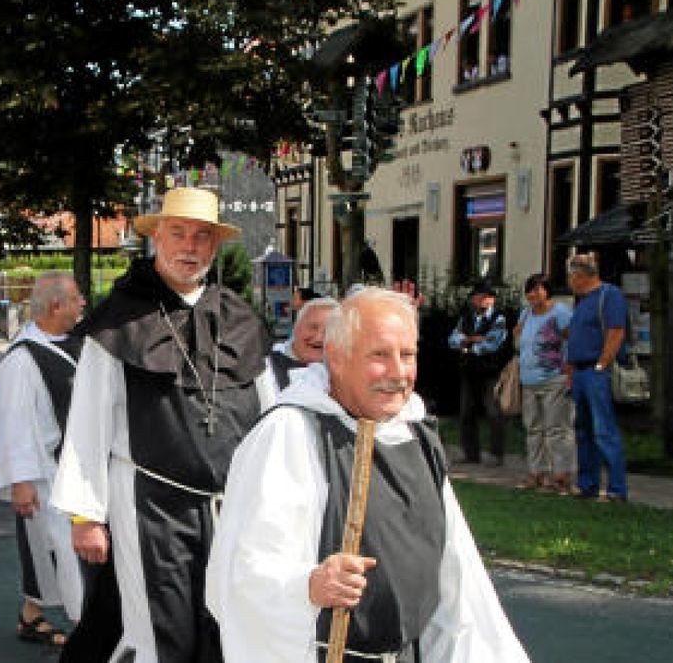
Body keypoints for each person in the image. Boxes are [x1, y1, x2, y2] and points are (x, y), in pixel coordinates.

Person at [205, 288, 530, 662]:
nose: (397, 373)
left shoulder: (414, 433)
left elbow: (458, 578)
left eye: (407, 355)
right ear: (336, 358)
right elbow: (242, 575)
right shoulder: (290, 434)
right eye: (379, 355)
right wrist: (308, 587)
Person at [51, 187, 275, 662]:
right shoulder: (120, 321)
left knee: (230, 627)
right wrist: (86, 514)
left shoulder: (239, 319)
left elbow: (271, 415)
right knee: (161, 630)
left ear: (215, 246)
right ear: (158, 239)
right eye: (178, 234)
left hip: (229, 508)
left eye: (201, 237)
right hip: (150, 505)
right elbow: (88, 418)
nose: (189, 247)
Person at [0, 272, 87, 647]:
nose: (83, 304)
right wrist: (20, 480)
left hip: (77, 469)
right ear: (56, 305)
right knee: (66, 551)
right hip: (47, 473)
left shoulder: (76, 344)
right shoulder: (23, 359)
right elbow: (13, 420)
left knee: (52, 553)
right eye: (77, 298)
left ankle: (32, 615)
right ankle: (87, 629)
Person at [564, 255, 629, 502]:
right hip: (580, 372)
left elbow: (616, 331)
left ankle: (616, 488)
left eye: (571, 276)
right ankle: (587, 483)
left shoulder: (608, 296)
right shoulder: (581, 302)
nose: (569, 281)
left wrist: (603, 363)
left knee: (604, 430)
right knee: (584, 431)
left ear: (580, 275)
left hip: (595, 371)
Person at [514, 273, 575, 494]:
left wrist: (570, 367)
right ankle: (536, 472)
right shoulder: (526, 314)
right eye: (530, 290)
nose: (533, 294)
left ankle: (561, 476)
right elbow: (519, 342)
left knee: (557, 429)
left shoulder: (560, 313)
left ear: (548, 291)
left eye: (537, 289)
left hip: (554, 378)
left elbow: (572, 339)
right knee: (533, 428)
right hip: (529, 380)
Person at [447, 281, 510, 465]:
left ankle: (497, 454)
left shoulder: (499, 318)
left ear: (493, 300)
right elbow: (452, 339)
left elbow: (492, 343)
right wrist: (472, 340)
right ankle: (470, 453)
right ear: (473, 298)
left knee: (493, 412)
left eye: (487, 296)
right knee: (467, 412)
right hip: (469, 371)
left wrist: (467, 345)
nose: (483, 299)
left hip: (490, 371)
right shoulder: (466, 317)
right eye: (480, 296)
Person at [269, 297, 338, 394]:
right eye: (312, 327)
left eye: (329, 331)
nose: (319, 338)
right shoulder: (267, 367)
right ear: (296, 328)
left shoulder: (340, 375)